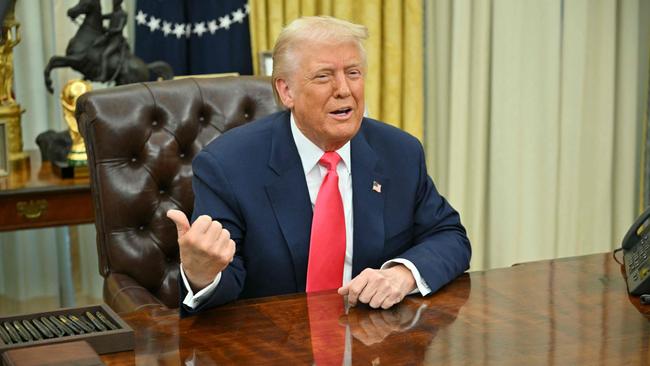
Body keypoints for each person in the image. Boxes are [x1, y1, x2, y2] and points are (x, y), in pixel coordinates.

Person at [167, 16, 471, 316]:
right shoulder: (228, 165)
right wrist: (201, 275)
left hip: (375, 341)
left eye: (353, 73)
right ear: (286, 91)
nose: (344, 89)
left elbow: (449, 236)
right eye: (324, 76)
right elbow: (225, 279)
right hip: (274, 347)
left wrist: (401, 275)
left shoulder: (399, 152)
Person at [94, 0, 127, 82]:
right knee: (94, 45)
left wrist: (108, 30)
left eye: (114, 2)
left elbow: (119, 29)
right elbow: (100, 17)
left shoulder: (123, 14)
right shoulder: (113, 14)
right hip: (108, 38)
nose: (113, 3)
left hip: (116, 40)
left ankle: (103, 75)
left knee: (105, 55)